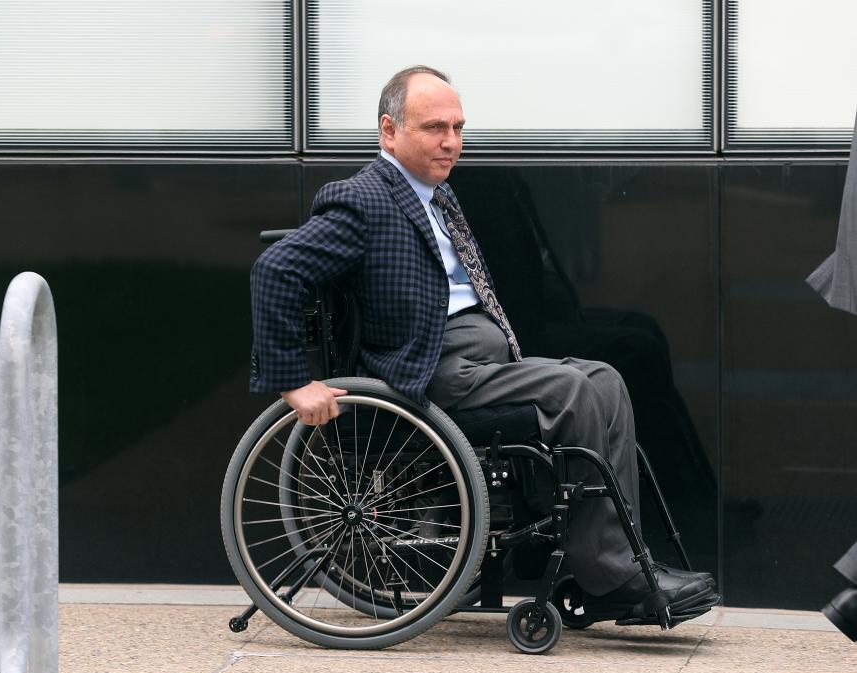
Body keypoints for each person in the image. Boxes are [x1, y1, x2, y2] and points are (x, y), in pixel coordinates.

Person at [249, 65, 716, 620]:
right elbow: (275, 270)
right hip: (431, 373)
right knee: (571, 391)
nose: (451, 142)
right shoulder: (363, 201)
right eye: (433, 128)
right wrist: (293, 382)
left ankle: (608, 562)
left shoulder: (435, 196)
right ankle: (609, 574)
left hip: (477, 360)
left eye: (458, 127)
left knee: (605, 379)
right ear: (388, 130)